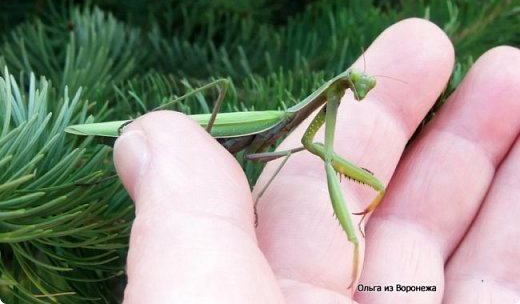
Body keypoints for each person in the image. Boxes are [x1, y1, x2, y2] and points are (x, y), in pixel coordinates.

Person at [113, 18, 520, 303]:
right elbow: (318, 153)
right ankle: (150, 118)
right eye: (359, 86)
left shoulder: (320, 115)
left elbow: (310, 145)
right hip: (222, 128)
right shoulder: (299, 114)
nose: (361, 91)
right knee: (224, 87)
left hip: (259, 143)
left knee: (314, 156)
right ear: (345, 82)